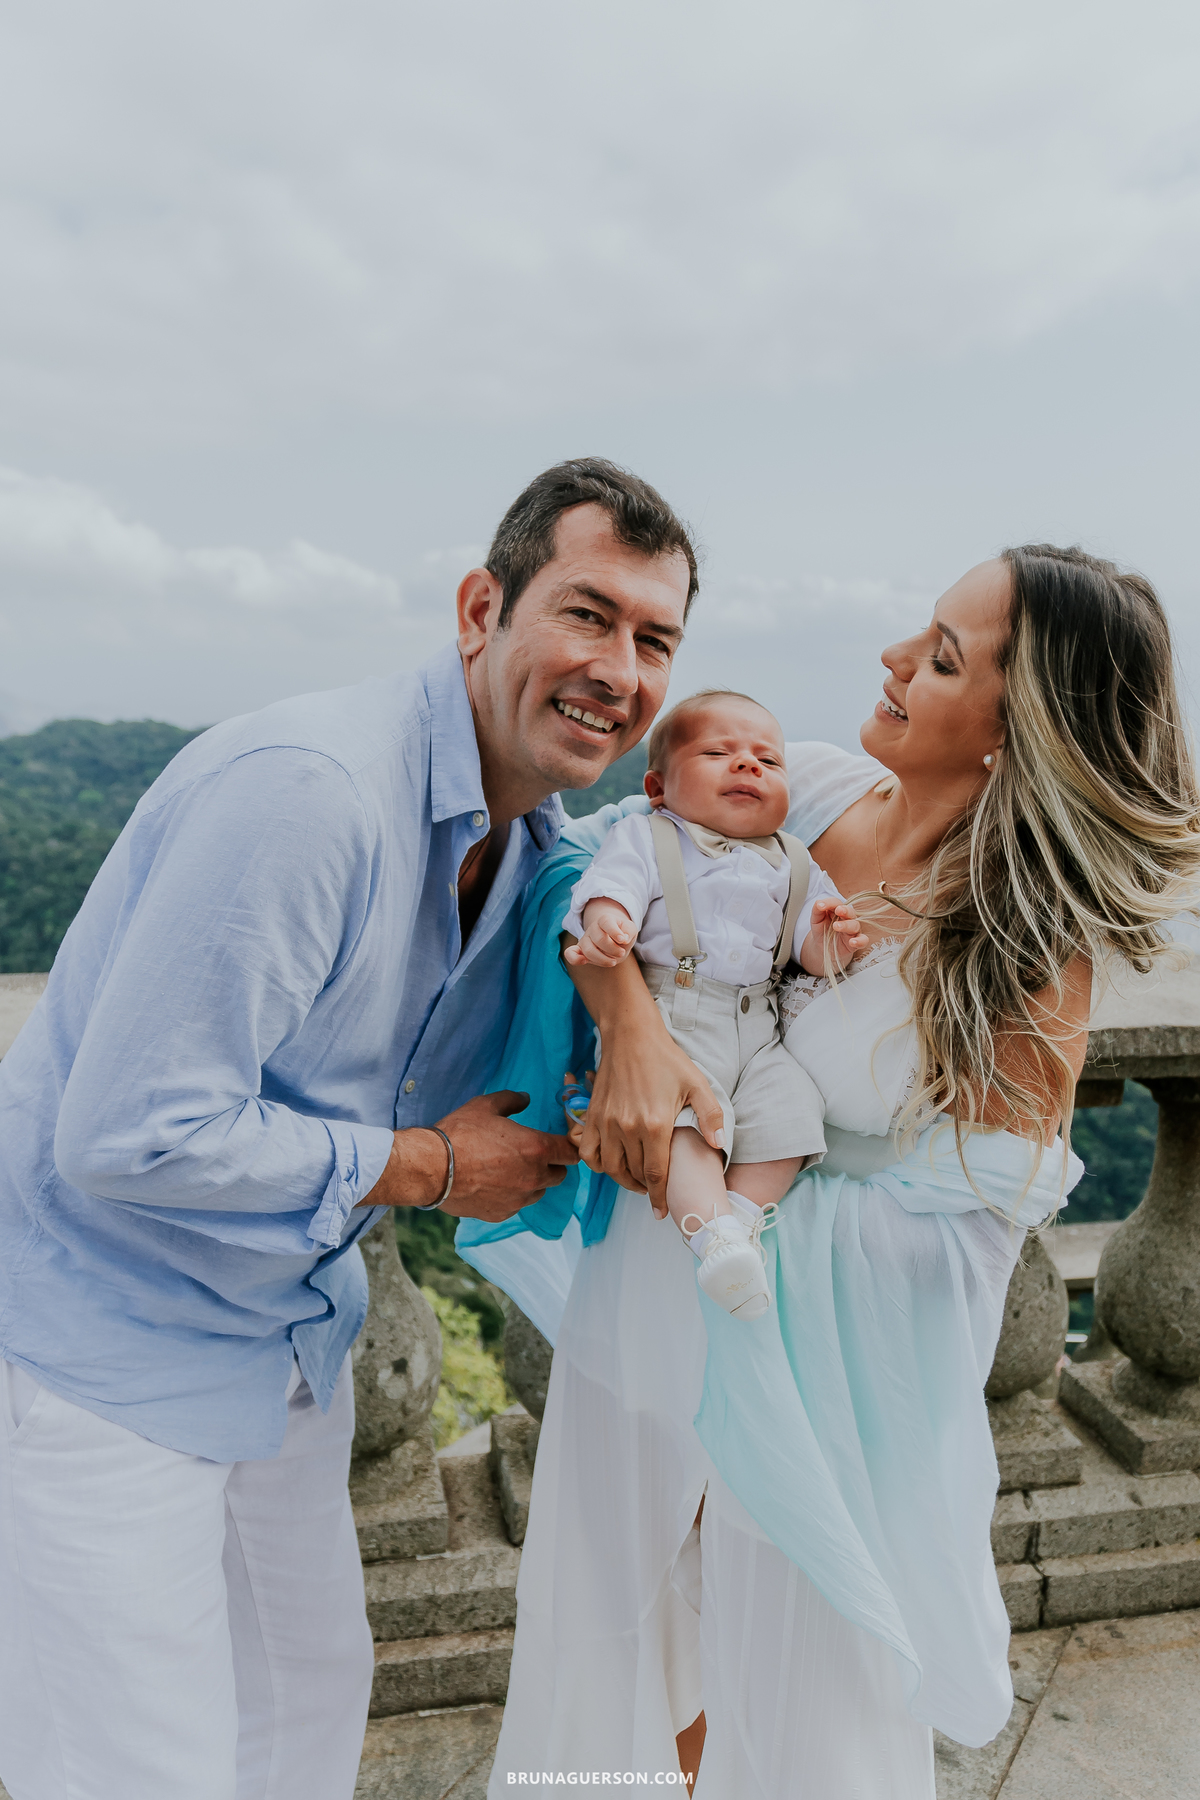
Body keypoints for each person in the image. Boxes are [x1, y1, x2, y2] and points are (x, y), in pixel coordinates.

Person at [0, 458, 704, 1800]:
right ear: (478, 608)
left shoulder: (539, 841)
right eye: (586, 614)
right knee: (136, 1767)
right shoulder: (313, 796)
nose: (620, 667)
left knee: (309, 1708)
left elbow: (657, 904)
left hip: (289, 1341)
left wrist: (633, 1021)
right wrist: (432, 1167)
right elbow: (129, 1133)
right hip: (107, 1354)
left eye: (654, 638)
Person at [461, 544, 1200, 1796]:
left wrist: (736, 1211)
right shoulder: (798, 789)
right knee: (637, 1639)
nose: (895, 659)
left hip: (817, 1369)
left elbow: (965, 1239)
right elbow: (583, 855)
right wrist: (633, 1025)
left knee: (782, 1696)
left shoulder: (1020, 950)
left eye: (943, 657)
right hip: (658, 1300)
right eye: (922, 630)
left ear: (1017, 732)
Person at [562, 688, 866, 1318]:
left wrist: (831, 940)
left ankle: (740, 1223)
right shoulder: (648, 837)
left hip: (758, 1028)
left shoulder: (797, 862)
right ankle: (710, 1234)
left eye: (768, 761)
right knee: (688, 1125)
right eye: (719, 753)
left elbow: (807, 949)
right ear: (658, 786)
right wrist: (608, 921)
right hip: (676, 1013)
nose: (748, 765)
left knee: (793, 1113)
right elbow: (608, 886)